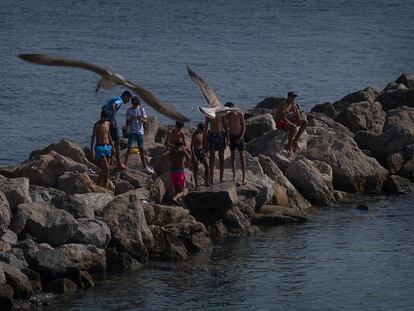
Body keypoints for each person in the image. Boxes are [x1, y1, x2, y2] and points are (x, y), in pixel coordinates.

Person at [123, 96, 154, 173]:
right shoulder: (129, 111)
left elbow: (145, 121)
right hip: (132, 132)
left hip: (140, 132)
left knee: (141, 149)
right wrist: (131, 119)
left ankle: (144, 167)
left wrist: (141, 119)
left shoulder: (141, 109)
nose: (135, 106)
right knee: (129, 148)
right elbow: (127, 123)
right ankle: (124, 165)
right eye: (134, 105)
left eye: (136, 105)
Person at [102, 90, 132, 169]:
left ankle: (110, 161)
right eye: (128, 99)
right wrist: (112, 119)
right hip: (110, 120)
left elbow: (104, 107)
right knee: (117, 141)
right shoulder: (120, 100)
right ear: (125, 96)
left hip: (104, 119)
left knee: (108, 140)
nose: (128, 101)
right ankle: (119, 164)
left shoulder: (115, 98)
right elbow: (113, 105)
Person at [91, 110, 114, 188]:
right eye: (103, 118)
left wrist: (113, 147)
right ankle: (100, 185)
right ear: (101, 116)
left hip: (107, 147)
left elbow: (109, 136)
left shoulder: (108, 123)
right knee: (106, 168)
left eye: (106, 118)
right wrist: (92, 151)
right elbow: (93, 137)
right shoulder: (97, 125)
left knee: (105, 170)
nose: (104, 120)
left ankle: (103, 186)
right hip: (100, 147)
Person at [163, 139, 191, 204]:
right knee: (183, 191)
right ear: (181, 145)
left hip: (173, 173)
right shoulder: (182, 151)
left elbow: (163, 155)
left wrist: (170, 159)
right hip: (180, 172)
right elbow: (189, 158)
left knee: (176, 189)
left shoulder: (171, 151)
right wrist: (187, 164)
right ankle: (175, 198)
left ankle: (176, 202)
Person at [225, 102, 246, 183]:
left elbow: (244, 127)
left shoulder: (240, 114)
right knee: (232, 157)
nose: (228, 111)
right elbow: (226, 126)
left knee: (242, 157)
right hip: (232, 137)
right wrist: (228, 138)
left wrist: (240, 138)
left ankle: (244, 177)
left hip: (239, 136)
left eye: (229, 109)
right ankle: (234, 175)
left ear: (233, 108)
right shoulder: (228, 116)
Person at [204, 114, 227, 184]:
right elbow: (206, 126)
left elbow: (225, 125)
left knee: (221, 157)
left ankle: (221, 178)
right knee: (211, 158)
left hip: (221, 135)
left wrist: (227, 137)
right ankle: (211, 178)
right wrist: (205, 140)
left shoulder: (221, 113)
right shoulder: (208, 114)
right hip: (212, 135)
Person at [191, 123, 210, 189]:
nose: (203, 131)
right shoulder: (194, 134)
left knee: (207, 166)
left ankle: (206, 182)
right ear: (199, 129)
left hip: (201, 151)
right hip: (196, 151)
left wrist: (206, 149)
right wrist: (193, 156)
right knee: (196, 169)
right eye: (202, 130)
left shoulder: (202, 133)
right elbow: (192, 146)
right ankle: (196, 185)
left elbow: (203, 142)